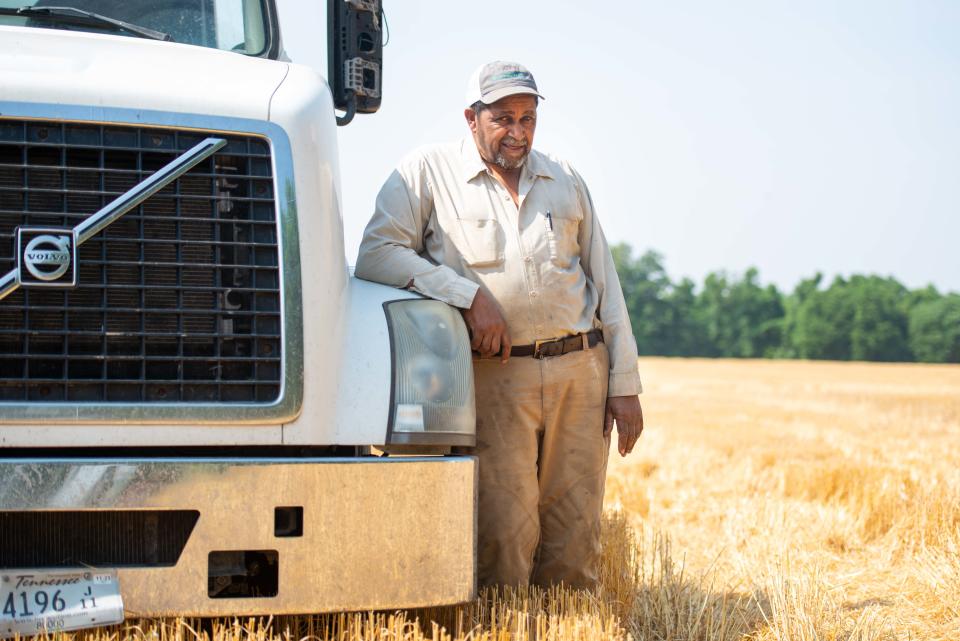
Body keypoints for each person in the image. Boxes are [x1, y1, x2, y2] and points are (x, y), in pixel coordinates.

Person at [355, 61, 643, 589]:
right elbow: (377, 254)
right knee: (502, 531)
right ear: (472, 118)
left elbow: (606, 285)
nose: (518, 133)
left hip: (580, 371)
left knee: (574, 531)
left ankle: (568, 623)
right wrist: (467, 297)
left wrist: (624, 384)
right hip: (496, 376)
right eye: (504, 119)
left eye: (528, 118)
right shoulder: (427, 172)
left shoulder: (565, 178)